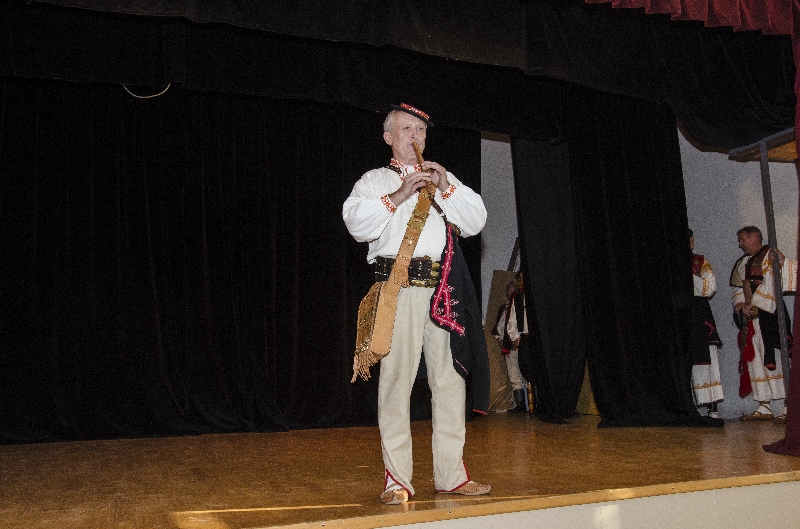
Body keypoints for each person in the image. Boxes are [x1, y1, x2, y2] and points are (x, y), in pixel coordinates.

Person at [342, 103, 490, 505]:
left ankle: (451, 476)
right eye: (407, 129)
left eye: (421, 130)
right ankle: (397, 482)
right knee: (396, 383)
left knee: (450, 382)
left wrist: (446, 187)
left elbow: (475, 221)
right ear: (389, 137)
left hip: (443, 291)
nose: (415, 136)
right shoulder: (374, 180)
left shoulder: (442, 180)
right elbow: (356, 224)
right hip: (399, 290)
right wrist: (400, 194)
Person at [731, 226, 797, 424]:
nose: (740, 244)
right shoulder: (743, 262)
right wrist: (741, 304)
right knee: (756, 359)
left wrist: (755, 304)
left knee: (777, 355)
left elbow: (773, 284)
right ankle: (764, 405)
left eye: (742, 239)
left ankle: (787, 407)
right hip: (752, 319)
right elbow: (739, 288)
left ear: (754, 238)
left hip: (770, 313)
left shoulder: (770, 256)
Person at [688, 229, 723, 418]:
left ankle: (712, 406)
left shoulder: (700, 262)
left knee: (708, 361)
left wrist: (686, 276)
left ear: (692, 243)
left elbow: (710, 288)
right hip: (679, 318)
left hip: (699, 316)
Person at [491, 279, 528, 412]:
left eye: (514, 289)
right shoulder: (504, 307)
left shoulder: (520, 303)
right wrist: (500, 340)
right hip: (510, 346)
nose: (511, 292)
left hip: (523, 345)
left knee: (527, 374)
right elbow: (499, 327)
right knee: (514, 376)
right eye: (509, 290)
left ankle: (533, 405)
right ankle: (520, 406)